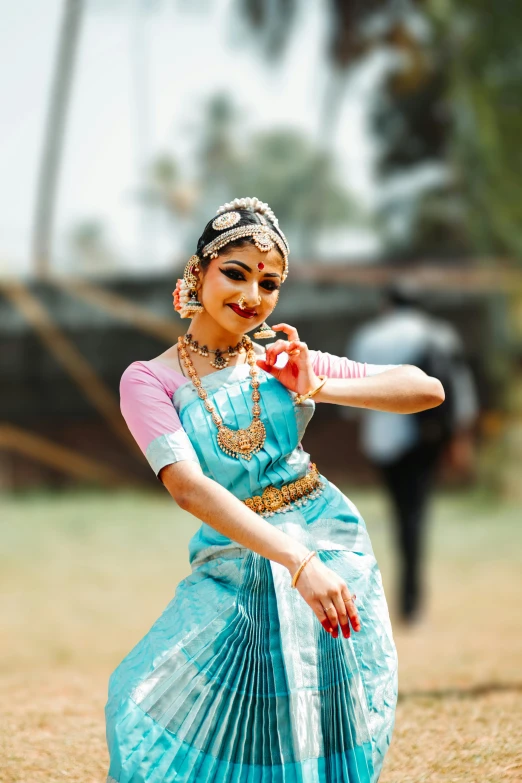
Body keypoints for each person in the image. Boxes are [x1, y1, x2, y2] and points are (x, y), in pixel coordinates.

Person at [105, 197, 445, 783]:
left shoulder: (280, 361)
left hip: (327, 542)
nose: (251, 295)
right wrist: (296, 561)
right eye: (235, 273)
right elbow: (188, 488)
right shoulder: (149, 380)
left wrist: (320, 384)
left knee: (313, 721)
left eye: (270, 282)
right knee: (138, 697)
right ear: (197, 273)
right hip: (240, 557)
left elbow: (426, 388)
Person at [347, 284, 479, 626]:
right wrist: (458, 439)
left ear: (386, 303)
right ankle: (411, 600)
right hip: (424, 438)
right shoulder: (438, 333)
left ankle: (402, 598)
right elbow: (458, 391)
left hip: (381, 440)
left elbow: (351, 400)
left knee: (400, 513)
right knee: (416, 514)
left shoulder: (369, 336)